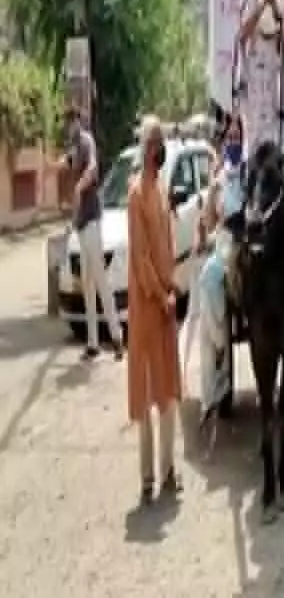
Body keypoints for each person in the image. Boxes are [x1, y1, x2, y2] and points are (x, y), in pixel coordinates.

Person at [126, 116, 184, 504]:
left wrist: (173, 284)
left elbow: (165, 247)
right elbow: (141, 256)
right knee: (148, 390)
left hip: (166, 301)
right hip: (147, 309)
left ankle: (168, 470)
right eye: (158, 142)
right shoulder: (135, 195)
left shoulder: (162, 189)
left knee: (168, 392)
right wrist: (159, 294)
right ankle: (147, 476)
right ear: (149, 149)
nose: (161, 149)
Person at [189, 114, 247, 421]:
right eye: (231, 138)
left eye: (239, 137)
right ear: (224, 143)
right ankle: (221, 350)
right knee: (209, 280)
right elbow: (209, 219)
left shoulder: (251, 172)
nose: (235, 142)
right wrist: (202, 231)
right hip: (225, 244)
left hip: (249, 241)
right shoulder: (219, 178)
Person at [59, 105, 121, 361]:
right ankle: (93, 343)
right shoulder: (73, 146)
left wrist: (80, 186)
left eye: (71, 120)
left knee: (100, 281)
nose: (68, 125)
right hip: (80, 225)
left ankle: (117, 338)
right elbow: (64, 164)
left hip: (92, 223)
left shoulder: (86, 141)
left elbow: (93, 167)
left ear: (78, 120)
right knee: (87, 284)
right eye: (66, 121)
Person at [238, 0, 284, 154]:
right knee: (253, 145)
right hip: (254, 79)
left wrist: (274, 5)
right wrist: (262, 5)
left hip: (271, 85)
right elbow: (243, 34)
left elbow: (282, 36)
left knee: (272, 145)